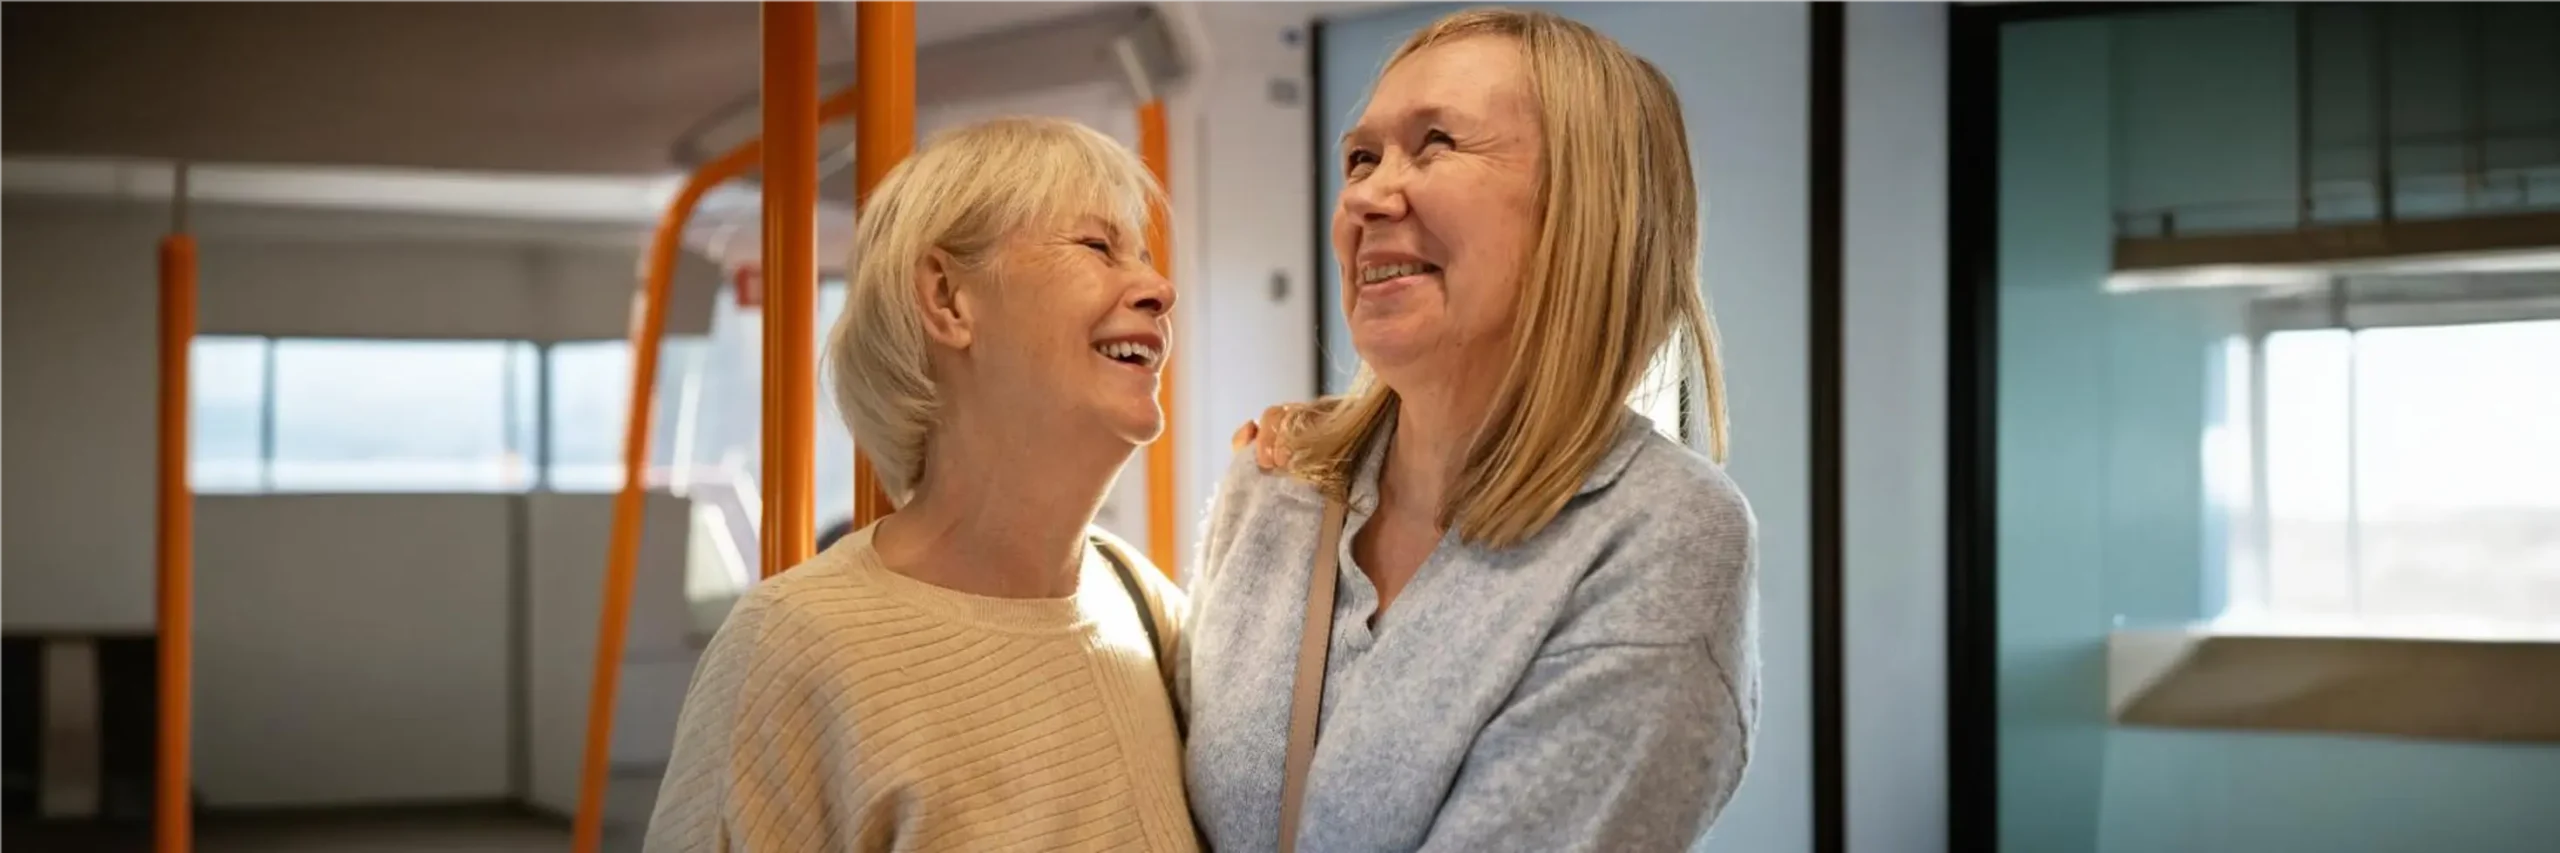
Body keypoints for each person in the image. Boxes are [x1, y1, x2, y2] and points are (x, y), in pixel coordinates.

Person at [1182, 8, 1759, 852]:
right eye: (1361, 157)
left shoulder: (1659, 533)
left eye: (1437, 144)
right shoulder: (1271, 488)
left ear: (1586, 207)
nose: (1365, 196)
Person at [645, 117, 1197, 852]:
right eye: (1098, 247)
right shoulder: (794, 649)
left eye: (1146, 258)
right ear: (947, 298)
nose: (1160, 289)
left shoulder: (1141, 601)